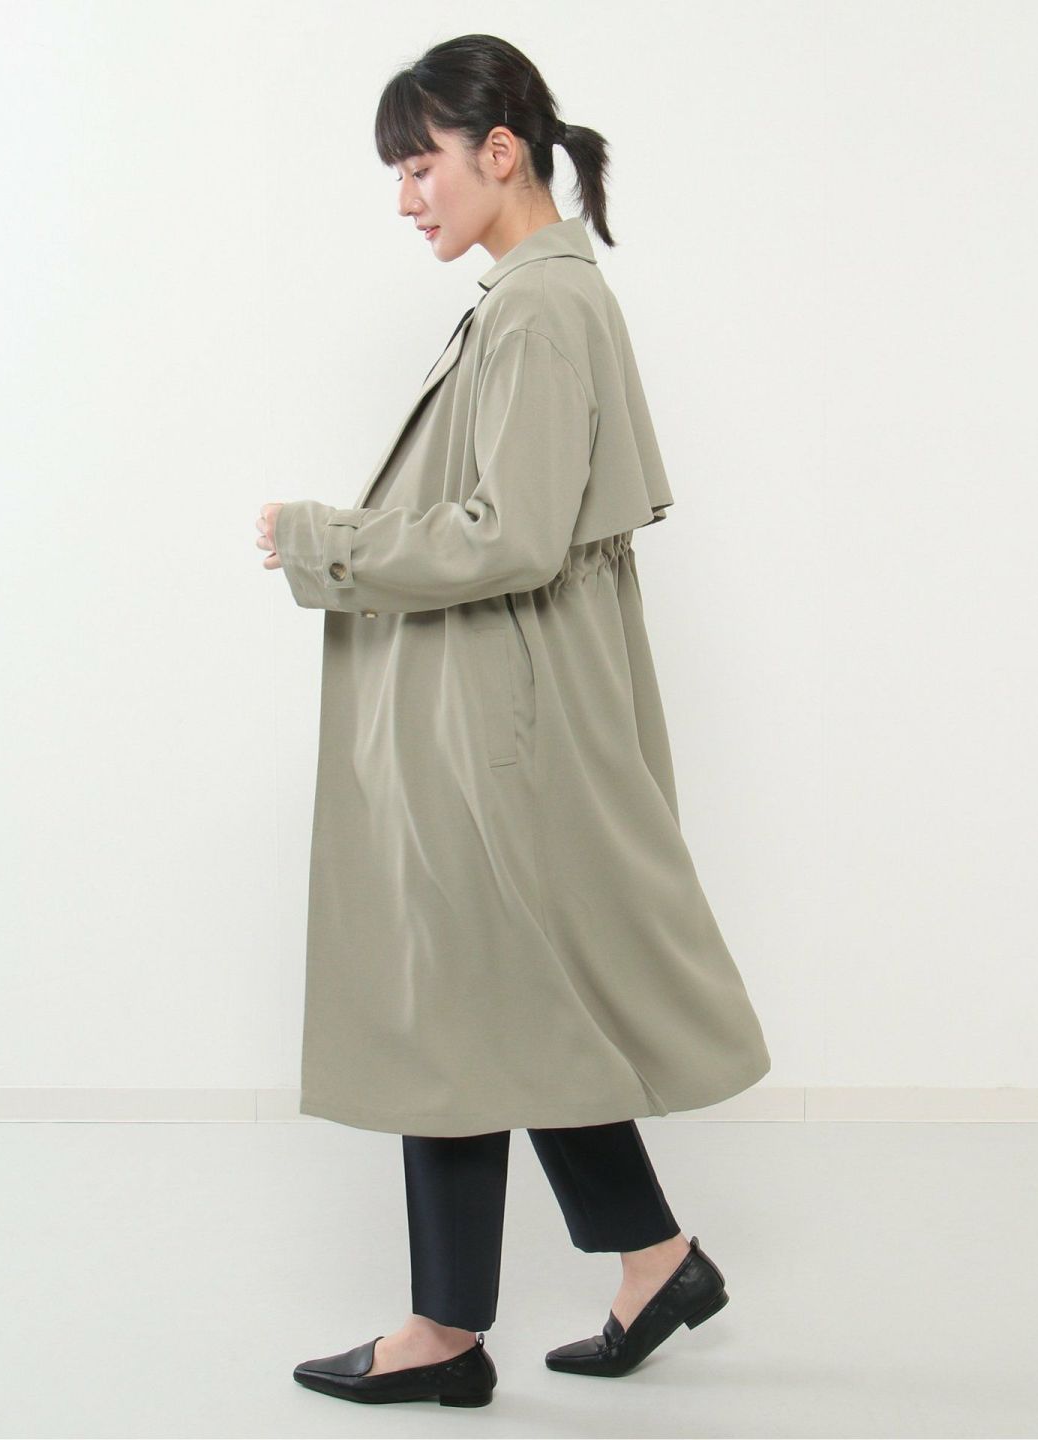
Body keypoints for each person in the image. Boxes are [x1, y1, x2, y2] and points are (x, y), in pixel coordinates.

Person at [256, 34, 771, 1408]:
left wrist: (324, 538)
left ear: (500, 151)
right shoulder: (539, 295)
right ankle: (654, 1262)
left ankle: (444, 1332)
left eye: (418, 165)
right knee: (503, 1009)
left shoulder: (540, 308)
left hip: (503, 727)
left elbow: (516, 534)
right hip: (512, 712)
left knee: (459, 1012)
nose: (405, 197)